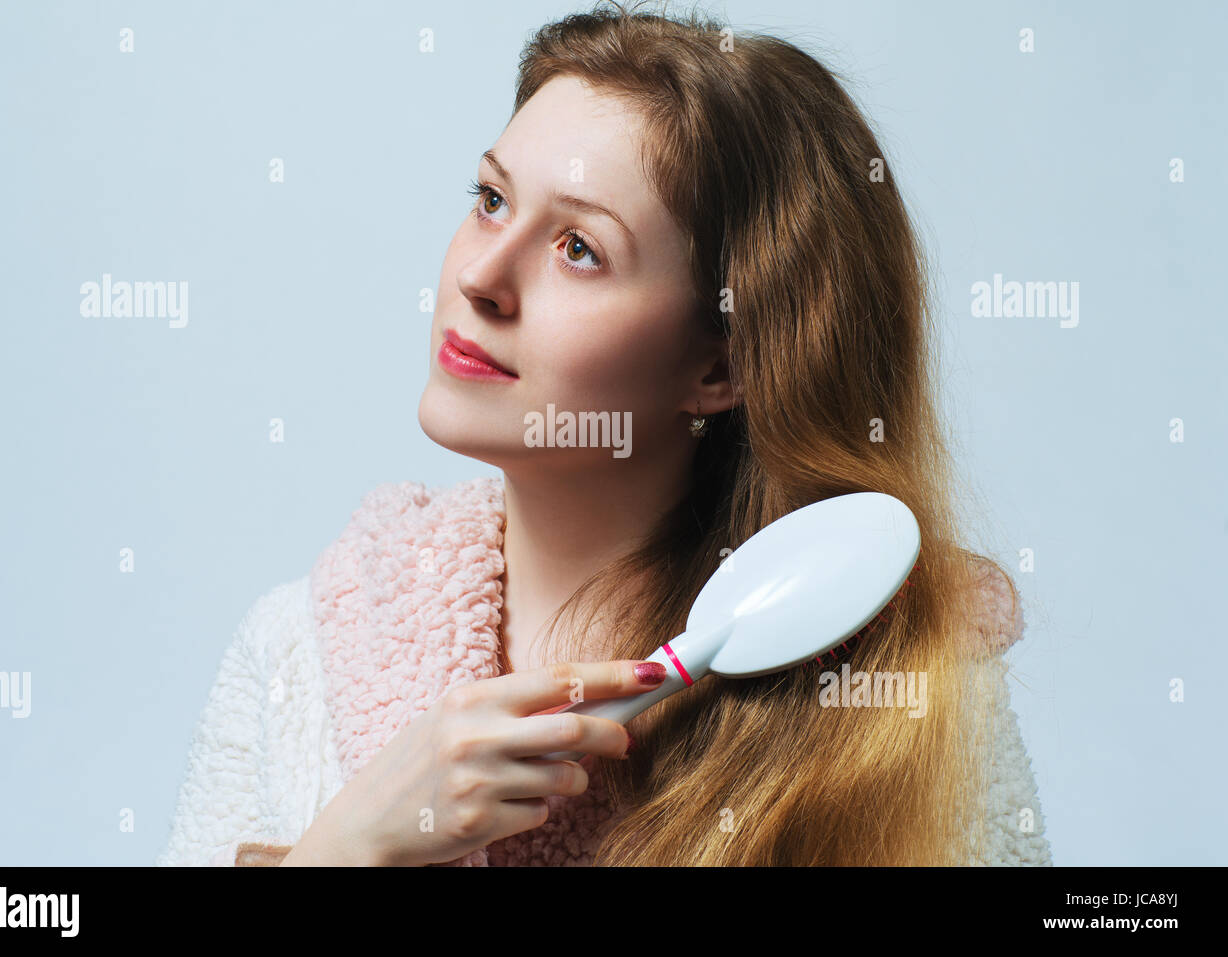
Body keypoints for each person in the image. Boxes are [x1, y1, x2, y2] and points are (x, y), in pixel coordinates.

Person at [158, 0, 1051, 867]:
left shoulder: (900, 697)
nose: (480, 274)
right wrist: (349, 847)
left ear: (722, 366)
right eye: (492, 199)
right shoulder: (302, 652)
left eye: (578, 248)